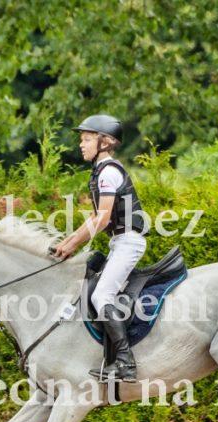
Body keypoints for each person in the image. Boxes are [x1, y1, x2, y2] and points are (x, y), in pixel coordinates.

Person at [52, 114, 147, 382]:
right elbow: (95, 218)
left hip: (128, 242)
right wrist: (65, 244)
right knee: (91, 291)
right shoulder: (100, 172)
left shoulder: (109, 172)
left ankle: (126, 363)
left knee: (101, 296)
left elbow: (102, 219)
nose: (81, 144)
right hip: (120, 242)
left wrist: (72, 244)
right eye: (81, 140)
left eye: (86, 139)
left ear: (104, 142)